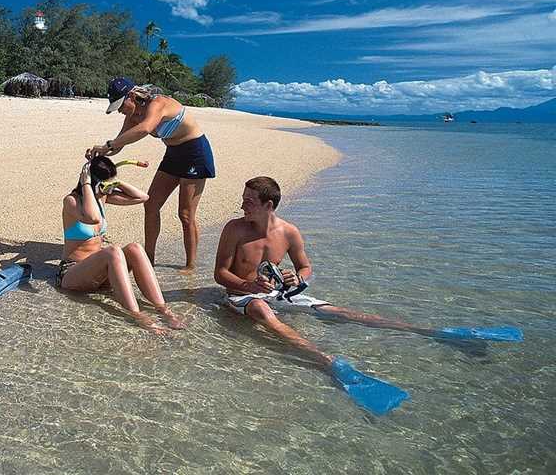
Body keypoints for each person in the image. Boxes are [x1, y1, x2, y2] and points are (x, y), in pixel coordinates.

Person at [214, 176, 522, 413]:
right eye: (244, 200)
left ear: (269, 205)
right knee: (265, 314)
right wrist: (248, 286)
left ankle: (437, 333)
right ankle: (330, 362)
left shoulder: (289, 232)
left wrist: (298, 279)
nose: (243, 206)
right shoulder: (235, 229)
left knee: (339, 312)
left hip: (279, 291)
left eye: (249, 201)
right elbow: (221, 275)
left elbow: (305, 267)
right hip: (244, 296)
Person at [87, 77, 215, 273]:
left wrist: (109, 145)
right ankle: (149, 258)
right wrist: (101, 151)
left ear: (131, 96)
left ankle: (190, 265)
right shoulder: (131, 114)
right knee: (151, 204)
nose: (120, 110)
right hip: (173, 154)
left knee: (186, 214)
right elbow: (119, 144)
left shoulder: (158, 103)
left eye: (120, 105)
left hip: (195, 153)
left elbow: (146, 128)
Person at [58, 156, 184, 332]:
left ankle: (163, 309)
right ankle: (138, 315)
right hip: (73, 273)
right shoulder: (71, 201)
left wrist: (117, 183)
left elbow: (143, 197)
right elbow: (92, 217)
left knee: (134, 248)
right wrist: (86, 184)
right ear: (93, 182)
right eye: (104, 184)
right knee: (113, 251)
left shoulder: (102, 198)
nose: (107, 188)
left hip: (101, 276)